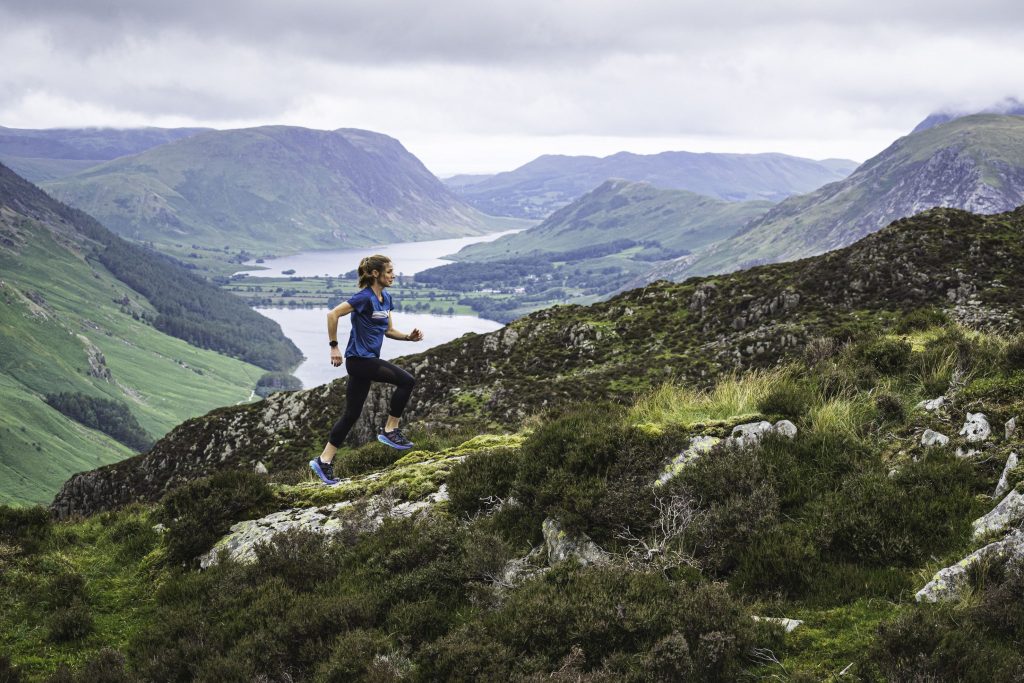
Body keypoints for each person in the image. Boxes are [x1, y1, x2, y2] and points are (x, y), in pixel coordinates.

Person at [309, 254, 423, 485]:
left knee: (351, 414)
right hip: (359, 360)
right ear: (375, 274)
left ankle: (324, 460)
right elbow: (333, 314)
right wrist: (334, 347)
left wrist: (408, 338)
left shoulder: (386, 298)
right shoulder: (364, 297)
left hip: (367, 360)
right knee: (407, 381)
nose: (394, 275)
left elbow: (388, 331)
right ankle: (391, 430)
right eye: (389, 271)